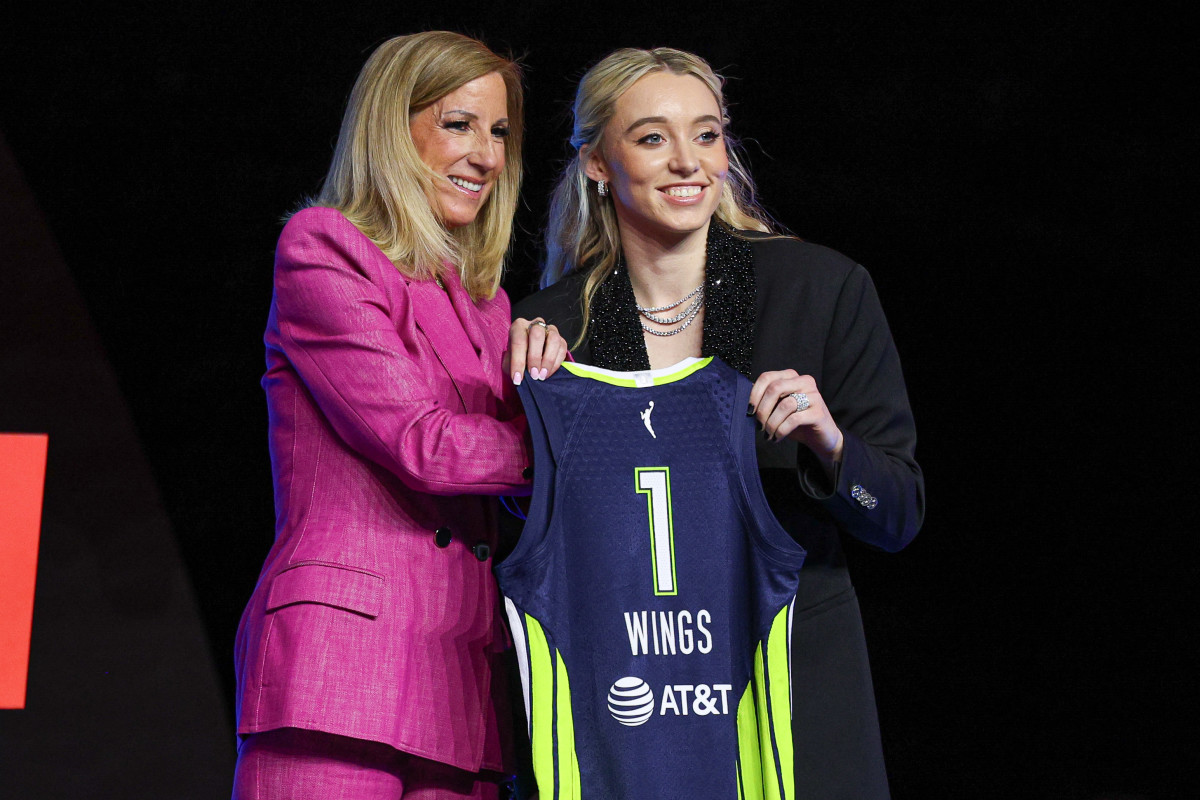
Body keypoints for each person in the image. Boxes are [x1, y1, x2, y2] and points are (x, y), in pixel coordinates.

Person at [512, 47, 925, 798]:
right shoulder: (551, 327)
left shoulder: (819, 289)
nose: (687, 163)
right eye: (651, 137)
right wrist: (517, 392)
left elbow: (897, 513)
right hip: (633, 716)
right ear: (599, 163)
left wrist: (830, 446)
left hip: (798, 700)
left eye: (706, 135)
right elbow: (537, 537)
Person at [232, 31, 563, 799]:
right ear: (391, 127)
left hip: (463, 680)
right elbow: (422, 444)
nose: (487, 155)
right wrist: (568, 444)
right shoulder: (324, 246)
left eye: (501, 132)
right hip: (341, 667)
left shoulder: (492, 307)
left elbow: (512, 482)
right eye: (459, 124)